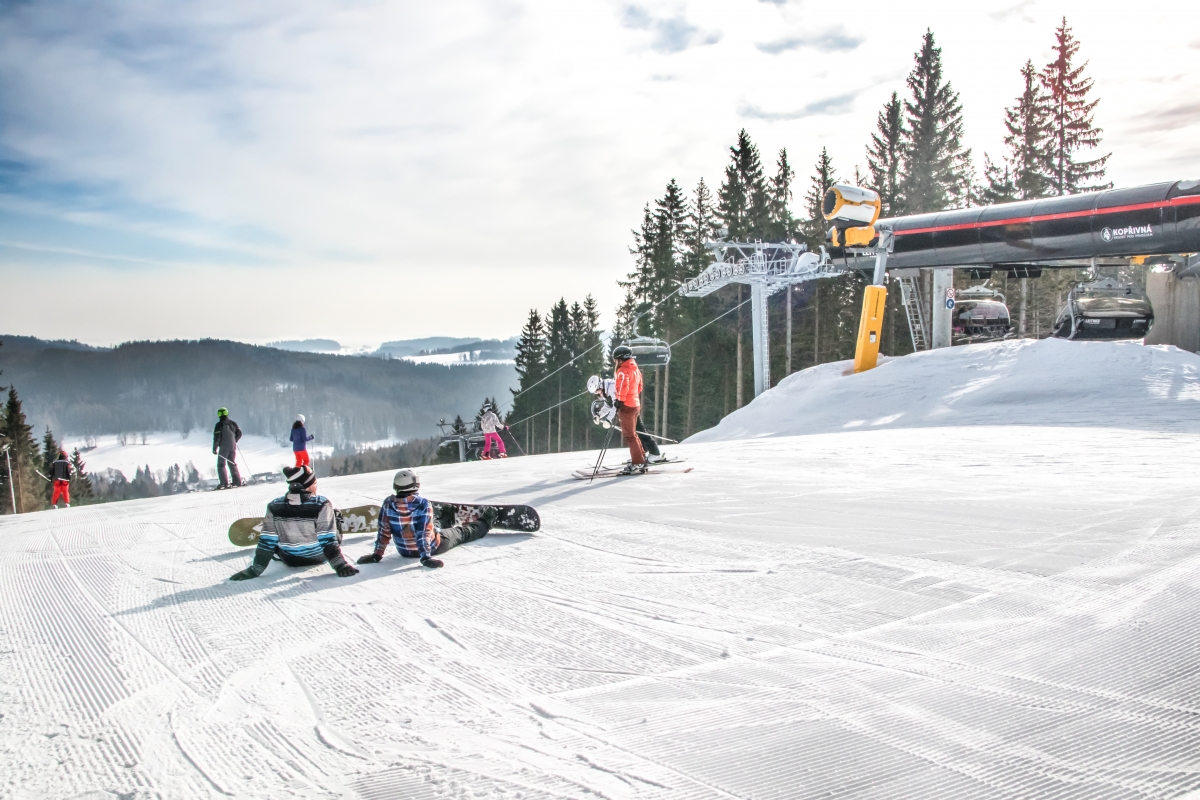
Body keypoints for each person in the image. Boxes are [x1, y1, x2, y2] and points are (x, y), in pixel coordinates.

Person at [230, 465, 358, 580]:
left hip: (290, 560)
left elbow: (266, 542)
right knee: (335, 515)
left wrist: (255, 570)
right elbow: (328, 541)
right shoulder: (322, 504)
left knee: (272, 540)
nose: (316, 486)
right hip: (320, 556)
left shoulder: (274, 506)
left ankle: (283, 531)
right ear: (308, 485)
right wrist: (341, 566)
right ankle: (336, 518)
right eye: (315, 482)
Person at [356, 469, 497, 569]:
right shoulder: (422, 503)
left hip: (404, 551)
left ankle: (446, 517)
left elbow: (384, 531)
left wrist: (377, 554)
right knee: (462, 532)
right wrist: (425, 557)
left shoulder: (388, 503)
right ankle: (486, 521)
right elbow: (422, 533)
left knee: (433, 525)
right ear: (415, 485)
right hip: (434, 546)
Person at [587, 374, 665, 463]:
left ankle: (655, 453)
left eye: (597, 391)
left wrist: (608, 419)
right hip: (627, 409)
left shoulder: (611, 387)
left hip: (630, 407)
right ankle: (640, 455)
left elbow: (615, 406)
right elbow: (608, 405)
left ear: (600, 385)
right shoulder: (606, 389)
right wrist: (599, 415)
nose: (598, 394)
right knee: (635, 432)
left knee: (639, 431)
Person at [611, 345, 647, 474]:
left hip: (627, 406)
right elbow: (640, 386)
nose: (615, 362)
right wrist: (633, 398)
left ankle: (637, 463)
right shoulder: (635, 368)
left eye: (616, 360)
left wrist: (619, 401)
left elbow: (622, 386)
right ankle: (641, 460)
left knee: (630, 435)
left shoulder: (623, 370)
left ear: (620, 359)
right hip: (635, 404)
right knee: (633, 434)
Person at [212, 407, 243, 489]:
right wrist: (234, 440)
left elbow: (217, 437)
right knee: (232, 463)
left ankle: (224, 483)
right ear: (227, 413)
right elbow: (239, 433)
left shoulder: (219, 425)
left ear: (219, 414)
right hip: (233, 446)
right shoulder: (233, 423)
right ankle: (237, 481)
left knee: (221, 465)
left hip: (223, 447)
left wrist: (214, 448)